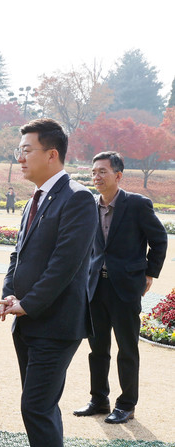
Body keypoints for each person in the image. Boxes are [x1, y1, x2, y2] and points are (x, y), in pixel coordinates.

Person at [0, 118, 97, 447]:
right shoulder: (34, 199)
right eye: (19, 150)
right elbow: (18, 255)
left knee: (36, 408)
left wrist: (29, 303)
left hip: (56, 325)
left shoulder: (78, 198)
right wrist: (11, 294)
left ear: (52, 154)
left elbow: (64, 265)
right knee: (39, 409)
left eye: (26, 150)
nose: (20, 158)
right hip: (27, 322)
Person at [73, 151, 168, 424]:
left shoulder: (137, 204)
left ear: (118, 175)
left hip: (125, 288)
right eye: (93, 172)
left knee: (127, 349)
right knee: (97, 348)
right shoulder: (89, 205)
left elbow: (159, 239)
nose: (96, 177)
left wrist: (150, 272)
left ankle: (126, 404)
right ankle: (98, 399)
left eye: (102, 171)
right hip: (95, 287)